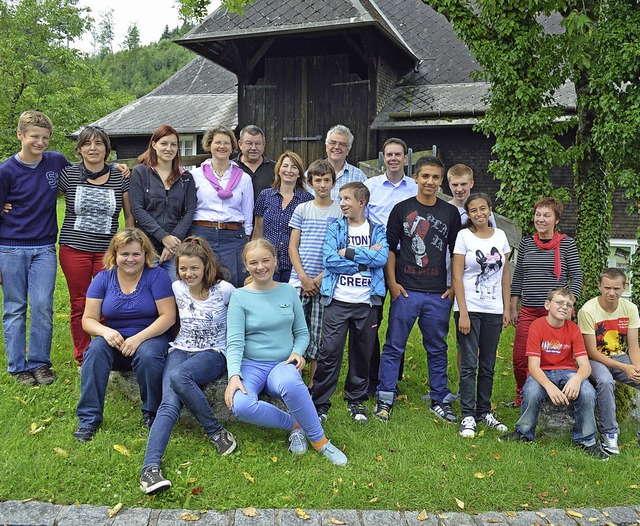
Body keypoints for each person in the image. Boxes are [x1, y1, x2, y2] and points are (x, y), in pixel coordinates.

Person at [224, 238, 347, 466]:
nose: (260, 267)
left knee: (290, 383)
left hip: (282, 363)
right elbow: (234, 341)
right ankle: (295, 425)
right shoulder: (240, 297)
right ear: (246, 265)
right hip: (251, 365)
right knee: (240, 405)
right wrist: (233, 376)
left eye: (265, 261)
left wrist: (298, 353)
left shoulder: (288, 291)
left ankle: (321, 442)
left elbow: (302, 332)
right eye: (254, 262)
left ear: (275, 261)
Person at [140, 237, 236, 494]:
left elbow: (241, 321)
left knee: (179, 377)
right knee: (168, 404)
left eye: (194, 268)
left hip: (214, 352)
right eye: (183, 268)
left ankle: (215, 431)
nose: (188, 273)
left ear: (206, 266)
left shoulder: (225, 290)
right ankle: (150, 470)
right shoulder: (177, 288)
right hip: (181, 348)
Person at [375, 156, 461, 422]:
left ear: (441, 181)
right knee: (394, 346)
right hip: (407, 290)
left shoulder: (450, 212)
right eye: (425, 176)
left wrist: (454, 288)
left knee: (437, 347)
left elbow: (458, 252)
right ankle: (385, 397)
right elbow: (389, 249)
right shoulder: (401, 209)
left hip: (438, 292)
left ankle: (440, 398)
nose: (430, 182)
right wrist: (392, 283)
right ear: (416, 177)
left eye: (435, 177)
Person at [73, 228, 176, 443]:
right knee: (94, 351)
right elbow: (88, 320)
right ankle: (88, 419)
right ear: (115, 255)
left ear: (145, 254)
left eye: (136, 254)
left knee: (148, 355)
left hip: (150, 338)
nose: (131, 259)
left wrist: (139, 338)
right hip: (116, 339)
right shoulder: (103, 278)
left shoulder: (156, 276)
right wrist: (105, 331)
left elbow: (168, 317)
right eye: (125, 254)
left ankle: (151, 413)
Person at [0, 111, 70, 386]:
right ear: (20, 135)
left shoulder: (55, 161)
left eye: (45, 138)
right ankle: (18, 366)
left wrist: (118, 169)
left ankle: (40, 363)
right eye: (34, 137)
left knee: (42, 305)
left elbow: (82, 173)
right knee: (15, 307)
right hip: (10, 248)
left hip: (44, 247)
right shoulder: (6, 171)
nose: (40, 142)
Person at [499, 288, 609, 460]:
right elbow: (533, 366)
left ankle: (586, 440)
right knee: (532, 391)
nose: (564, 307)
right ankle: (524, 433)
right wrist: (549, 387)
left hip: (568, 372)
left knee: (587, 392)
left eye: (569, 305)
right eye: (559, 302)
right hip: (543, 372)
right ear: (547, 305)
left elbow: (585, 366)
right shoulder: (537, 326)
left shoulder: (573, 329)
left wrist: (577, 379)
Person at [312, 182, 389, 424]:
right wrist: (366, 260)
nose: (342, 203)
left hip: (366, 303)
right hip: (338, 300)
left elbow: (383, 257)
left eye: (347, 199)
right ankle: (320, 402)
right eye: (341, 199)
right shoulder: (335, 228)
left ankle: (356, 400)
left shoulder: (377, 229)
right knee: (329, 352)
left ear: (362, 202)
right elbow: (330, 260)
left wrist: (349, 252)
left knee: (362, 352)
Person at [59, 126, 134, 367]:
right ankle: (82, 355)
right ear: (79, 149)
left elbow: (129, 217)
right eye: (88, 144)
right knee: (80, 302)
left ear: (107, 149)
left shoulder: (119, 176)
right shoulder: (68, 175)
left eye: (99, 143)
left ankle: (107, 350)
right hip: (74, 249)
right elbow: (41, 199)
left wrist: (129, 242)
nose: (93, 148)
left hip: (107, 252)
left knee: (108, 302)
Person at [509, 197, 583, 407]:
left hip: (555, 314)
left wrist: (568, 304)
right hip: (529, 311)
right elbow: (519, 275)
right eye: (538, 215)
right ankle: (523, 396)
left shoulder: (567, 244)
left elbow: (576, 276)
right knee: (520, 358)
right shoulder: (526, 243)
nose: (540, 219)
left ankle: (553, 393)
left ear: (556, 220)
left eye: (546, 215)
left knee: (555, 357)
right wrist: (514, 306)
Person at [452, 193, 510, 438]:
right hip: (470, 308)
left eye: (482, 209)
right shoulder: (463, 236)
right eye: (473, 210)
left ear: (490, 210)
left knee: (488, 364)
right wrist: (463, 313)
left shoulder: (501, 236)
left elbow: (505, 275)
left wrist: (507, 308)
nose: (478, 214)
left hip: (493, 309)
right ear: (468, 214)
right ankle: (467, 414)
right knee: (469, 364)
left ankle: (484, 411)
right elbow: (457, 276)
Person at [364, 138, 417, 394]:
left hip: (405, 259)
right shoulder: (370, 186)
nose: (393, 158)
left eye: (398, 154)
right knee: (372, 317)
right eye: (389, 154)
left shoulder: (415, 188)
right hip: (375, 260)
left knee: (400, 318)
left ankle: (392, 377)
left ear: (406, 158)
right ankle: (372, 374)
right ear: (383, 157)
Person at [288, 160, 341, 389]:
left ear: (333, 183)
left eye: (326, 180)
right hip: (299, 280)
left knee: (319, 331)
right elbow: (293, 246)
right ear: (310, 183)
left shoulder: (339, 211)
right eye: (317, 180)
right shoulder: (302, 209)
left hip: (325, 281)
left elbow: (339, 250)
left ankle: (314, 382)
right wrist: (303, 277)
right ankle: (294, 378)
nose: (322, 185)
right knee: (296, 328)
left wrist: (318, 279)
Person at [578, 268, 640, 455]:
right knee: (605, 381)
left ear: (624, 288)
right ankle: (609, 434)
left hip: (621, 356)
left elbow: (634, 346)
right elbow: (590, 351)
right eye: (607, 288)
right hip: (596, 359)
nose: (611, 292)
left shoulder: (630, 309)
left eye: (616, 288)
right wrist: (624, 367)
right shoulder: (588, 310)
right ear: (599, 286)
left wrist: (636, 369)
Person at [130, 125, 197, 279]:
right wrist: (163, 237)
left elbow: (189, 211)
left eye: (173, 144)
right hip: (146, 246)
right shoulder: (140, 172)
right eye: (164, 143)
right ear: (154, 145)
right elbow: (137, 209)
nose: (169, 148)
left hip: (176, 248)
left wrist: (173, 242)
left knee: (175, 292)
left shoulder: (186, 178)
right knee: (147, 295)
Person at [191, 126, 254, 288]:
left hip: (233, 237)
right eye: (217, 142)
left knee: (233, 284)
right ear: (209, 145)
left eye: (226, 143)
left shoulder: (244, 178)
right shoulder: (195, 176)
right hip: (203, 234)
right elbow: (189, 208)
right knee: (203, 281)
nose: (222, 146)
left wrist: (246, 237)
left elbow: (247, 211)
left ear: (233, 147)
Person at [253, 151, 313, 282]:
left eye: (294, 167)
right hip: (267, 262)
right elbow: (258, 229)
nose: (289, 170)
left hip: (294, 265)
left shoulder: (307, 199)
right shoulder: (265, 195)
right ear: (278, 170)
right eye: (285, 166)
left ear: (299, 173)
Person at [317, 125, 366, 200]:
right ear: (326, 147)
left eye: (342, 144)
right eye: (333, 142)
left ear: (348, 150)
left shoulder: (359, 177)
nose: (336, 147)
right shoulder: (311, 173)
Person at [234, 124, 276, 201]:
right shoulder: (231, 167)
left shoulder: (276, 169)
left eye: (257, 144)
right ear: (240, 144)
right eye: (249, 143)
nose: (253, 148)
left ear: (264, 144)